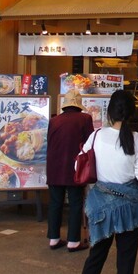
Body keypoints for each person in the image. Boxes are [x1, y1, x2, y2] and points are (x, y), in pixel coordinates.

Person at [72, 90, 138, 274]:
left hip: (100, 206)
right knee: (125, 264)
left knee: (95, 257)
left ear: (109, 112)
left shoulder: (96, 136)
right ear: (132, 112)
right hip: (129, 209)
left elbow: (80, 162)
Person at [46, 89, 94, 251]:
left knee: (55, 203)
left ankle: (54, 238)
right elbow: (89, 144)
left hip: (54, 167)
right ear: (78, 105)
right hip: (74, 168)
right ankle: (73, 241)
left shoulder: (54, 120)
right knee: (75, 203)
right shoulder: (85, 118)